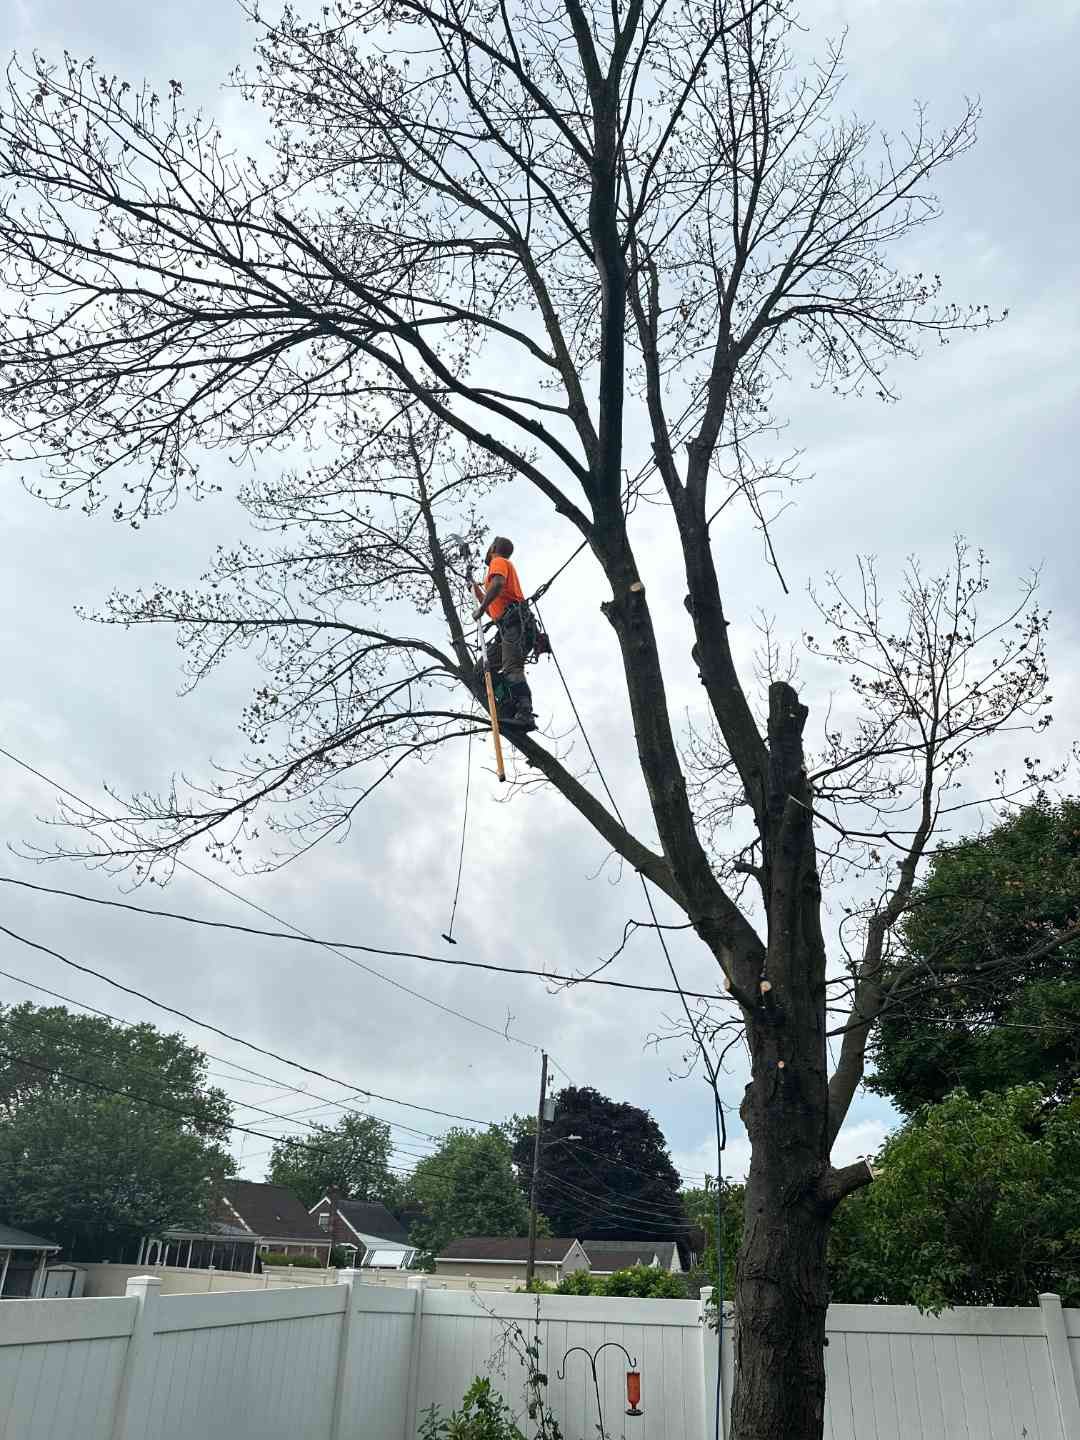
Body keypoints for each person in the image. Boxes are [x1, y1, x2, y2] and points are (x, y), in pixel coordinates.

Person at [470, 536, 536, 727]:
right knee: (482, 671)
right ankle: (508, 703)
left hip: (517, 626)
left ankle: (525, 714)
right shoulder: (496, 572)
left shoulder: (498, 561)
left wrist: (481, 609)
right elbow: (494, 611)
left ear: (494, 547)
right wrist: (476, 591)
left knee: (512, 668)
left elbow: (497, 584)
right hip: (506, 628)